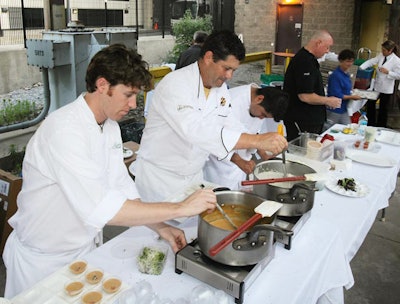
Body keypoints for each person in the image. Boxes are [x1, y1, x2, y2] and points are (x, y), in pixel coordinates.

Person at [2, 44, 217, 298]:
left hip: (83, 251)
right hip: (42, 262)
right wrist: (180, 209)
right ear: (102, 85)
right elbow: (101, 207)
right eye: (128, 94)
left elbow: (121, 189)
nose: (133, 103)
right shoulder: (64, 131)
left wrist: (161, 227)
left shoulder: (110, 127)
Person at [134, 30, 287, 202]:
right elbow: (195, 130)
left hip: (193, 178)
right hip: (161, 180)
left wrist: (258, 143)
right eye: (226, 68)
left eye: (233, 70)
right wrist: (256, 141)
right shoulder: (175, 84)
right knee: (162, 228)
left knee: (192, 227)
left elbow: (227, 122)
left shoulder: (219, 89)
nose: (230, 76)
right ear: (208, 57)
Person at [203, 84, 289, 190]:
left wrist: (263, 153)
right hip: (220, 168)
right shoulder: (230, 101)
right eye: (263, 114)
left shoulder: (258, 104)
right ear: (259, 99)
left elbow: (253, 132)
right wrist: (238, 160)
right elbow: (215, 138)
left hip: (242, 167)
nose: (261, 118)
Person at [283, 30, 342, 141]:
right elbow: (305, 95)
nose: (327, 51)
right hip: (302, 121)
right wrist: (328, 100)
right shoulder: (304, 62)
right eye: (327, 47)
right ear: (318, 43)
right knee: (302, 153)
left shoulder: (310, 60)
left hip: (310, 120)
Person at [359, 40, 400, 127]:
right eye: (382, 50)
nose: (382, 52)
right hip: (376, 86)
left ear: (390, 50)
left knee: (383, 109)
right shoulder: (381, 56)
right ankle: (371, 124)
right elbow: (371, 61)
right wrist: (360, 68)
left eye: (384, 50)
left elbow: (398, 75)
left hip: (386, 88)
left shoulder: (396, 61)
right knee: (370, 104)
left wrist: (388, 72)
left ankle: (381, 126)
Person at [325, 49, 363, 127]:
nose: (350, 64)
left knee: (348, 129)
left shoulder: (347, 74)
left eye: (352, 61)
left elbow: (347, 89)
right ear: (341, 61)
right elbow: (337, 95)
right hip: (334, 109)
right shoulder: (335, 76)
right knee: (328, 130)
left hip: (344, 109)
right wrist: (352, 97)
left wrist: (353, 92)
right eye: (347, 61)